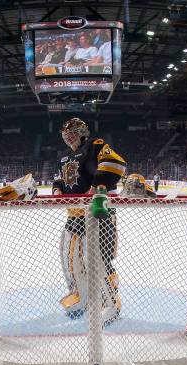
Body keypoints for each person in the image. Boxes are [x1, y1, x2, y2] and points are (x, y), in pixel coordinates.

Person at [52, 117, 126, 324]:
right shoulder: (63, 156)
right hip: (73, 215)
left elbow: (115, 163)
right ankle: (81, 296)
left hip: (96, 213)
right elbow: (60, 178)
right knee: (70, 259)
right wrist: (57, 189)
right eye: (66, 134)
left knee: (96, 260)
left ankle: (111, 303)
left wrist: (95, 188)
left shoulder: (96, 145)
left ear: (83, 131)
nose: (69, 137)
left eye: (73, 132)